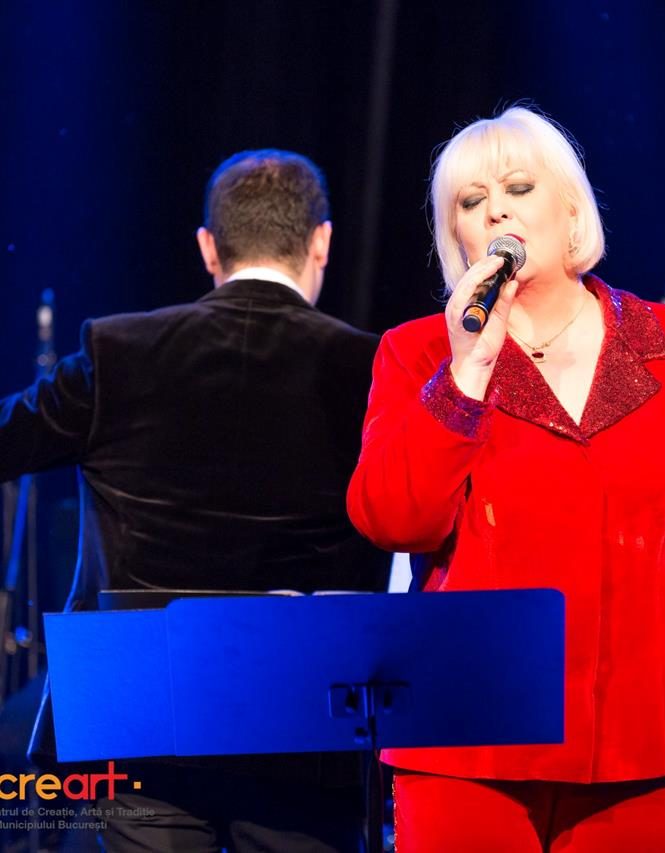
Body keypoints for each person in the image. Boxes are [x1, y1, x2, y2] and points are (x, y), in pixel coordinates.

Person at [346, 105, 665, 852]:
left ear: (572, 209)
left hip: (638, 741)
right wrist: (466, 375)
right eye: (471, 201)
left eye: (518, 188)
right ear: (456, 236)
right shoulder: (418, 354)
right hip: (468, 736)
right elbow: (393, 518)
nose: (497, 211)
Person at [0, 149, 389, 852]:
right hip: (304, 724)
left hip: (138, 715)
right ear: (322, 242)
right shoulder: (371, 369)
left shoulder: (119, 352)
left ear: (210, 247)